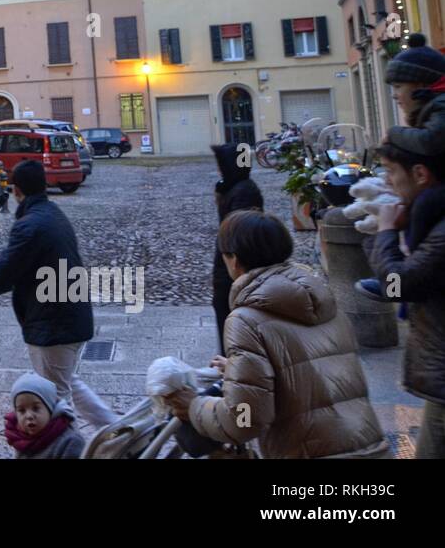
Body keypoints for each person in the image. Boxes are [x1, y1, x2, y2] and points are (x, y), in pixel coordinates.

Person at [164, 210, 387, 459]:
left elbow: (245, 420)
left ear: (234, 260)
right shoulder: (324, 300)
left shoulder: (246, 320)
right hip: (372, 448)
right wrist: (241, 372)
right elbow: (307, 375)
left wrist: (194, 406)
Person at [0, 160, 116, 428]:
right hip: (67, 315)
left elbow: (4, 271)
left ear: (16, 191)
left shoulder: (30, 225)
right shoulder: (52, 213)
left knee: (57, 397)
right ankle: (116, 429)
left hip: (54, 322)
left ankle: (68, 448)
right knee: (67, 384)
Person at [362, 140, 445, 459]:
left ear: (420, 174)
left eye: (391, 172)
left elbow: (396, 285)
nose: (387, 181)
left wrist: (385, 232)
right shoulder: (429, 215)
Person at [210, 142, 263, 353]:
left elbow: (238, 232)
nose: (218, 168)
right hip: (229, 262)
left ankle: (231, 363)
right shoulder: (236, 186)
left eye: (221, 163)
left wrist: (232, 270)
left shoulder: (244, 192)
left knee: (228, 313)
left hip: (234, 266)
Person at [384, 33, 445, 156]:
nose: (394, 95)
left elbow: (430, 142)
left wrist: (393, 134)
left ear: (421, 85)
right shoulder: (434, 107)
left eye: (398, 86)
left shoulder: (441, 104)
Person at [3, 372, 85, 459]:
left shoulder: (69, 443)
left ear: (50, 409)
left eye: (36, 408)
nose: (29, 416)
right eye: (22, 411)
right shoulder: (21, 439)